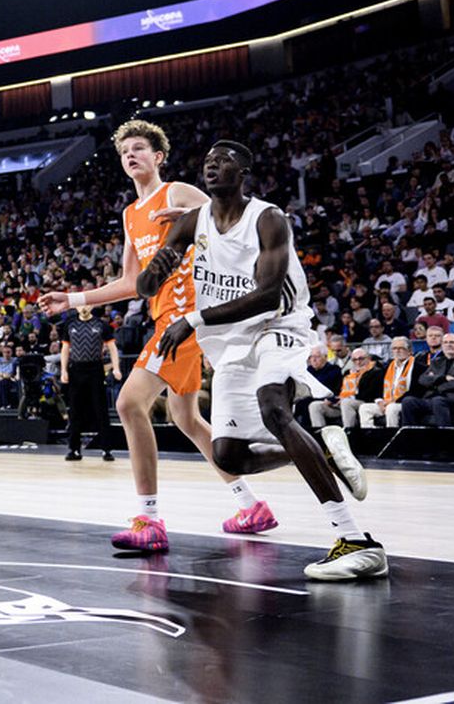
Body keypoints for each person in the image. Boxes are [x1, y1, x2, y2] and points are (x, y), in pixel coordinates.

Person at [142, 140, 385, 581]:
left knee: (275, 408)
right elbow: (149, 277)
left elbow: (268, 295)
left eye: (224, 161)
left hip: (280, 324)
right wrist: (153, 265)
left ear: (244, 170)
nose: (213, 166)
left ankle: (356, 540)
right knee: (229, 456)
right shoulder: (193, 222)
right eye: (208, 161)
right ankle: (322, 452)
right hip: (233, 340)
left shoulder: (267, 218)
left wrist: (191, 320)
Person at [41, 120, 274, 554]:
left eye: (139, 148)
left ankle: (149, 519)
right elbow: (132, 282)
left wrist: (193, 221)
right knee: (186, 420)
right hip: (165, 317)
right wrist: (72, 299)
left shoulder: (179, 192)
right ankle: (251, 506)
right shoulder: (131, 216)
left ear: (158, 157)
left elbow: (235, 223)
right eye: (124, 151)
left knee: (128, 403)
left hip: (188, 317)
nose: (131, 155)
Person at [59, 305, 119, 461]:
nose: (83, 308)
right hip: (76, 370)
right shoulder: (70, 324)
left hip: (95, 369)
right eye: (80, 305)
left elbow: (112, 347)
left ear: (91, 306)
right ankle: (74, 449)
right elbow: (65, 349)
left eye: (86, 304)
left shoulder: (101, 324)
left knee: (101, 409)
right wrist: (64, 370)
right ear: (77, 308)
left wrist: (116, 368)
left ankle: (106, 449)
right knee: (75, 410)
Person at [398, 332, 454, 426]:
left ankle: (442, 438)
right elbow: (422, 379)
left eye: (452, 342)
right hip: (431, 399)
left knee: (438, 401)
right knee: (408, 401)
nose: (448, 345)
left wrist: (436, 386)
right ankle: (410, 437)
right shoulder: (436, 362)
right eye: (445, 342)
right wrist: (442, 378)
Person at [308, 346, 382, 430]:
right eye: (354, 359)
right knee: (315, 406)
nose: (358, 362)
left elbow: (369, 394)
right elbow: (338, 390)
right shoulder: (348, 373)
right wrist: (332, 399)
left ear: (368, 358)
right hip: (342, 402)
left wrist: (347, 398)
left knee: (346, 402)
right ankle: (320, 435)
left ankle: (349, 432)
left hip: (363, 402)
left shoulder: (375, 372)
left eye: (361, 359)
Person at [356, 338, 417, 429]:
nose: (397, 351)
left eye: (401, 348)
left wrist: (394, 401)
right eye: (394, 348)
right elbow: (377, 387)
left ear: (409, 351)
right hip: (386, 402)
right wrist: (379, 401)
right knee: (364, 408)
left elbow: (416, 389)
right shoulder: (387, 367)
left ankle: (391, 437)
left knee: (391, 408)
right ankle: (369, 437)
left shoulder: (416, 366)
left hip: (402, 403)